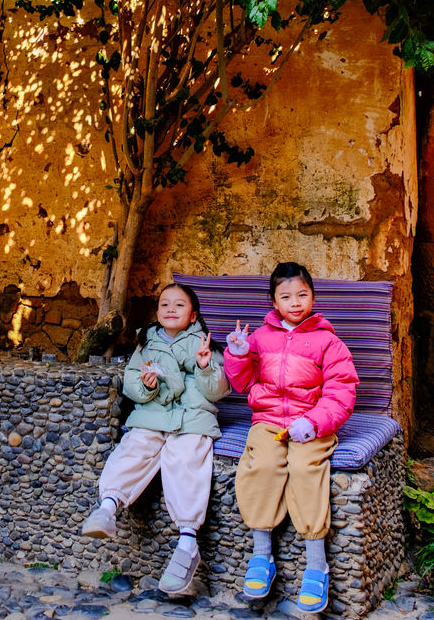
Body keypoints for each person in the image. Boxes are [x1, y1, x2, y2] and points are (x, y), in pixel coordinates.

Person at [224, 262, 359, 614]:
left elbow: (341, 390)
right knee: (263, 463)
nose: (295, 302)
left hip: (310, 424)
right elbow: (240, 383)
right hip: (268, 421)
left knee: (304, 466)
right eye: (286, 296)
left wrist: (314, 423)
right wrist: (237, 355)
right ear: (273, 301)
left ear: (313, 296)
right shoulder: (260, 338)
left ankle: (317, 564)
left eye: (302, 294)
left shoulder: (328, 341)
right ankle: (261, 555)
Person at [81, 282, 231, 595]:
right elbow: (131, 383)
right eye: (165, 304)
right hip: (152, 415)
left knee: (186, 459)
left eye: (179, 305)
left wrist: (204, 367)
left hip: (192, 418)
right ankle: (108, 507)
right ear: (158, 313)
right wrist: (146, 385)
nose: (171, 309)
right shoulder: (145, 344)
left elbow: (217, 392)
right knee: (135, 446)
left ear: (192, 316)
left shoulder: (204, 344)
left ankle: (188, 541)